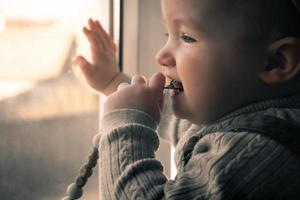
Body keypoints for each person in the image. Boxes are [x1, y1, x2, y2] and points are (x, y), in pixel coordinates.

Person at [73, 0, 300, 199]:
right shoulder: (239, 118)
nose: (160, 55)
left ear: (275, 62)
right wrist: (113, 82)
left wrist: (126, 125)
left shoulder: (258, 153)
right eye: (167, 34)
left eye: (187, 37)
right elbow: (174, 121)